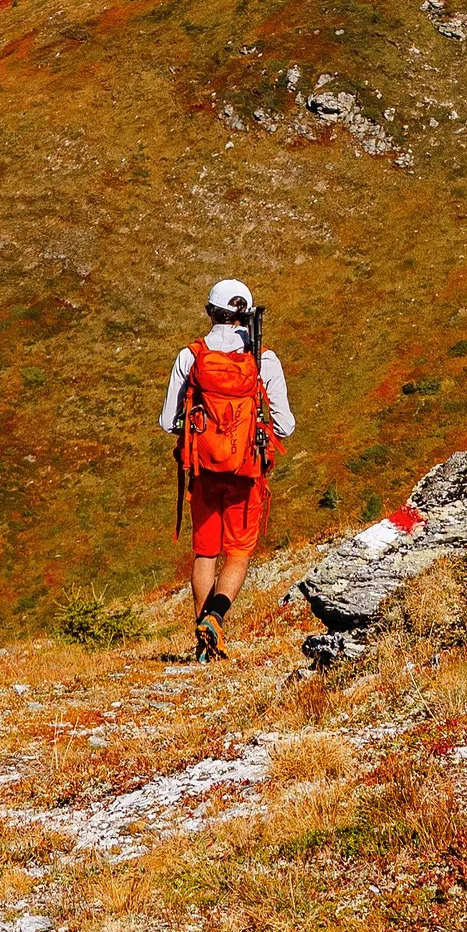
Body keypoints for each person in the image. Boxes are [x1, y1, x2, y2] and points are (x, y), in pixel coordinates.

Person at [159, 279, 295, 661]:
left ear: (209, 312)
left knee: (205, 553)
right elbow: (285, 426)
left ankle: (205, 639)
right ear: (246, 315)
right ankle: (216, 618)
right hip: (246, 472)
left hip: (203, 470)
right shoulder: (262, 359)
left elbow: (168, 421)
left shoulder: (191, 357)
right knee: (238, 551)